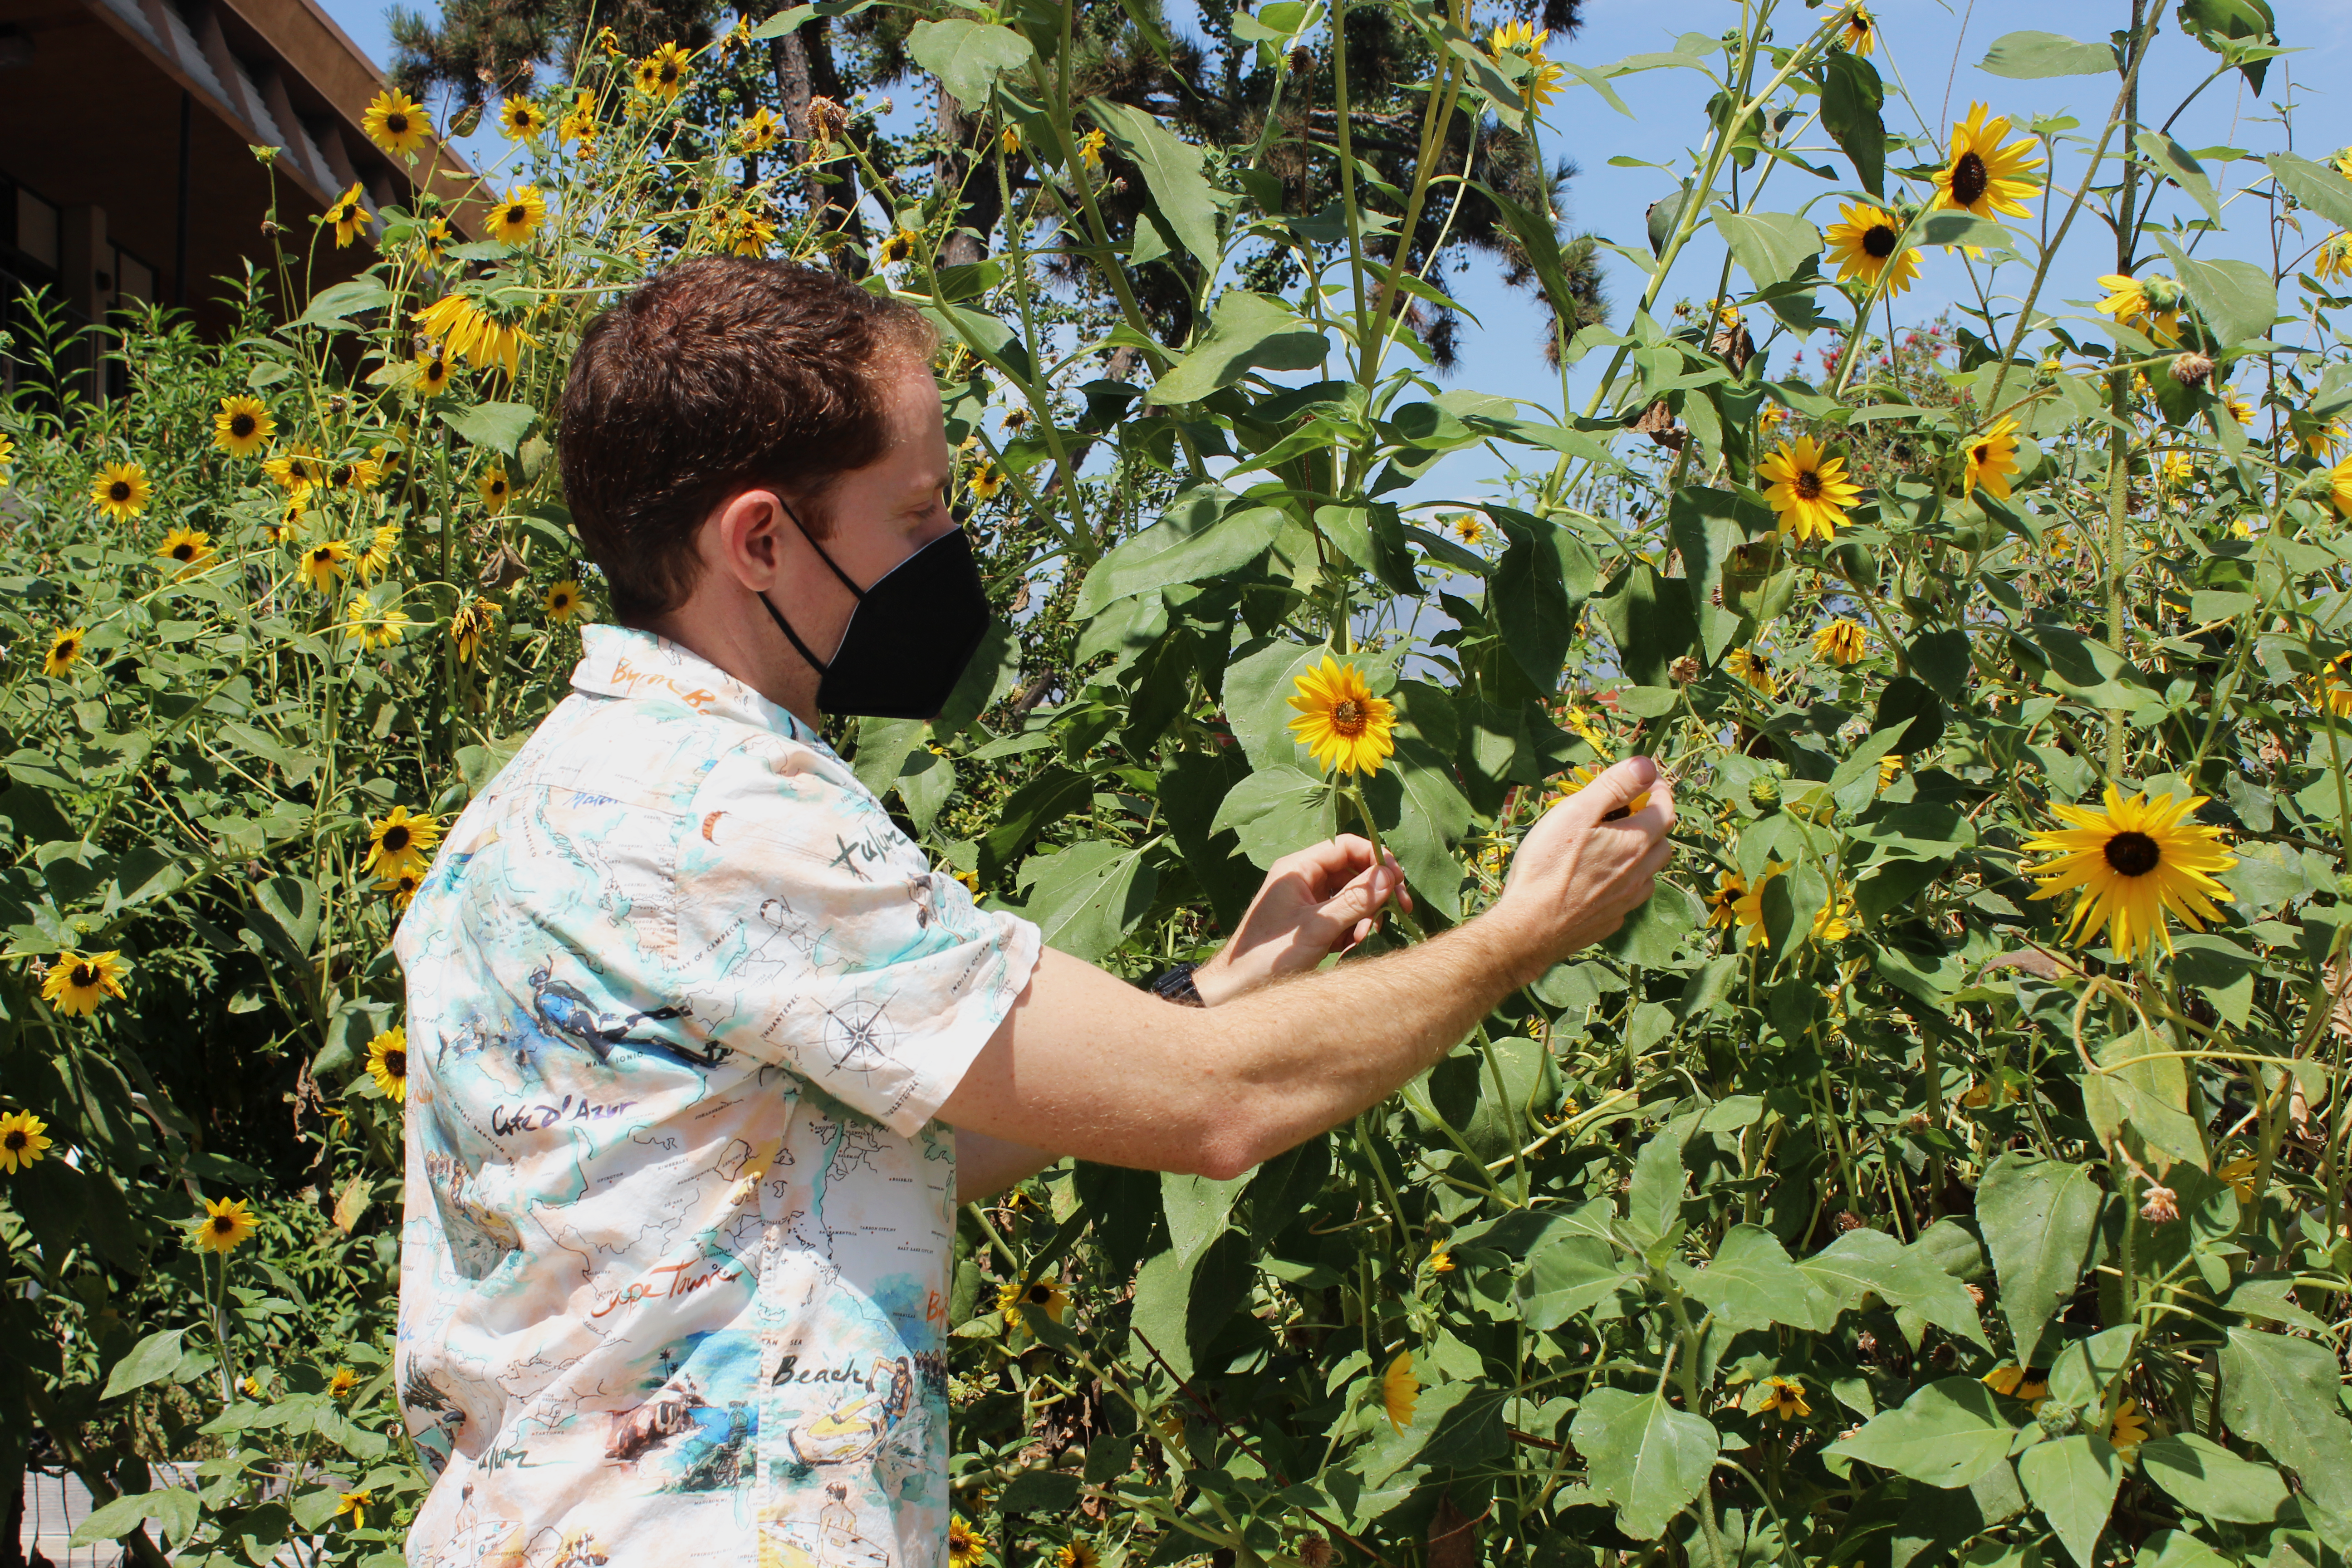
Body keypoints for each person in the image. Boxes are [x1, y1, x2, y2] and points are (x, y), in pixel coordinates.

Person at [392, 256, 1676, 1568]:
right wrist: (1524, 933)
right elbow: (1218, 1114)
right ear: (763, 541)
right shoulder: (723, 813)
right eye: (917, 512)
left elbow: (849, 1161)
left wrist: (1218, 989)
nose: (950, 553)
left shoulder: (538, 806)